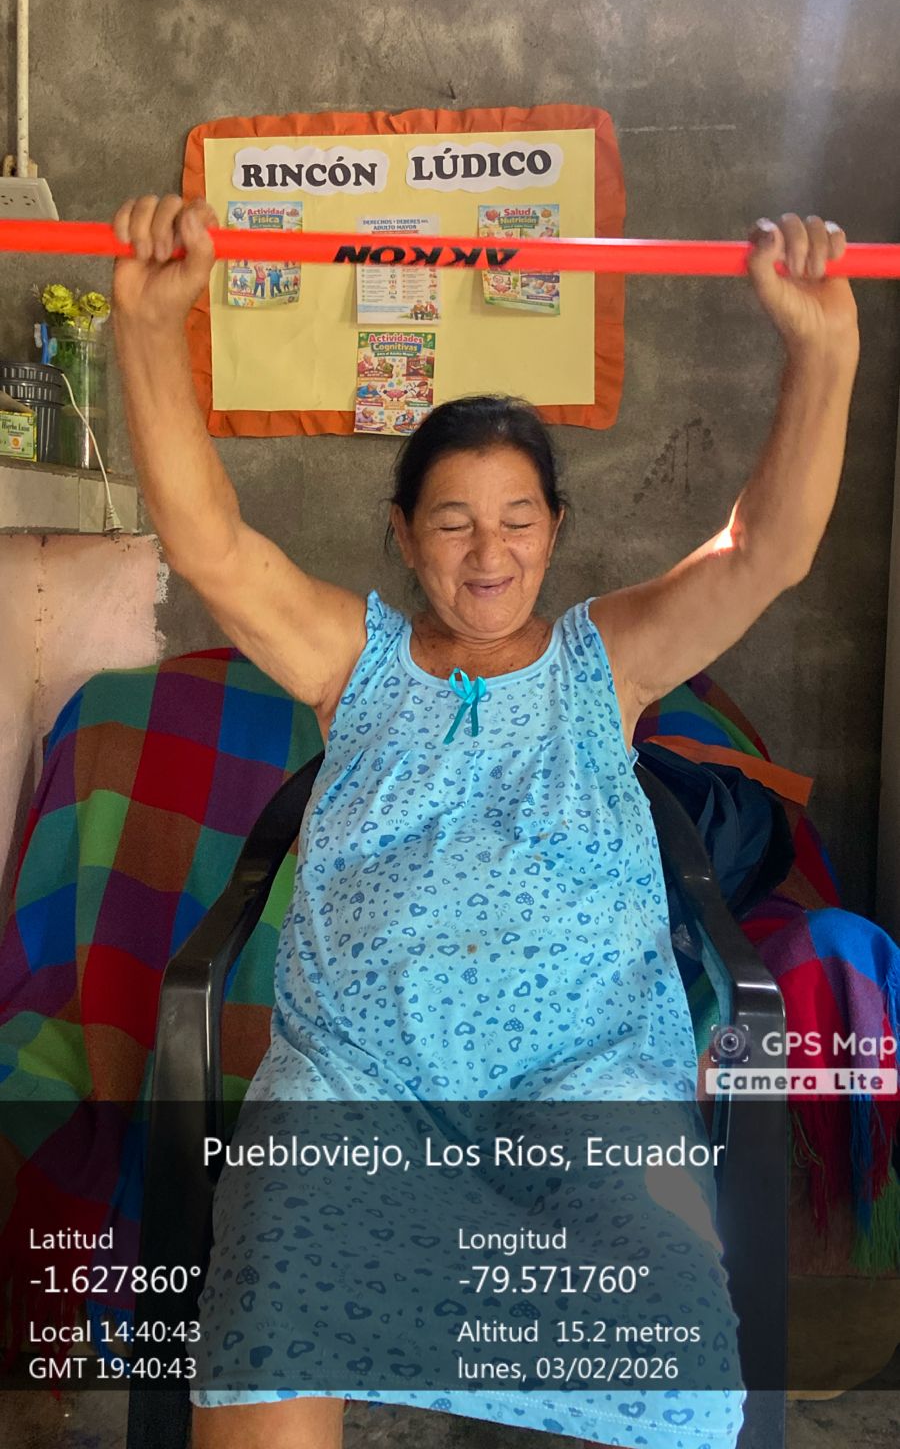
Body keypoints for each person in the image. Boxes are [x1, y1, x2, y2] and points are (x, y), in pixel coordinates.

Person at [112, 195, 860, 1449]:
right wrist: (148, 326)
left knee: (667, 1338)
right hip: (356, 1082)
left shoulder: (606, 659)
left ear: (554, 530)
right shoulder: (351, 657)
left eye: (517, 519)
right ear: (405, 536)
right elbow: (212, 544)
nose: (488, 552)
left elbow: (762, 554)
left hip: (587, 1083)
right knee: (276, 1298)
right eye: (453, 521)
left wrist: (821, 350)